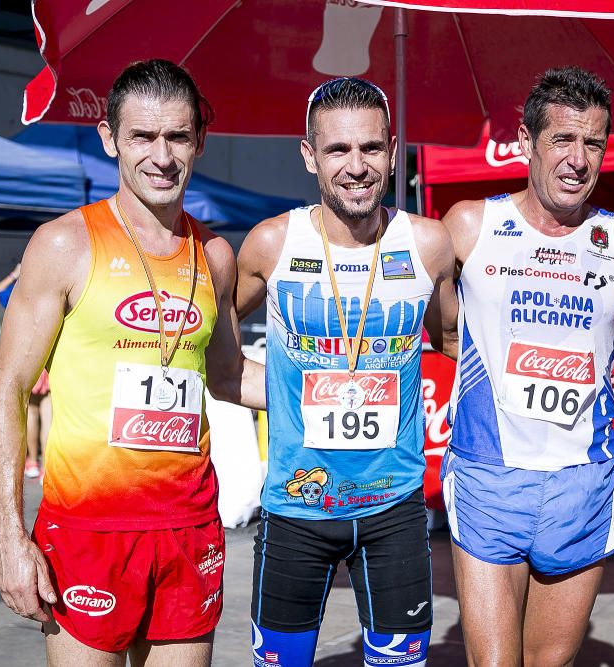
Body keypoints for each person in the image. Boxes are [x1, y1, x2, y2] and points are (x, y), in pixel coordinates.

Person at [0, 59, 262, 667]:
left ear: (199, 140)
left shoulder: (215, 254)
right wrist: (10, 536)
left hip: (189, 528)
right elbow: (7, 389)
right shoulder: (64, 244)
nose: (162, 156)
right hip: (88, 530)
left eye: (177, 137)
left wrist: (332, 383)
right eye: (142, 136)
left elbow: (228, 376)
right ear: (110, 138)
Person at [439, 67, 614, 665]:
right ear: (526, 142)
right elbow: (440, 329)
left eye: (593, 143)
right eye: (562, 140)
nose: (579, 160)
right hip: (488, 478)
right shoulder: (470, 226)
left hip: (582, 488)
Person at [235, 77, 458, 667]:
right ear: (309, 155)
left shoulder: (429, 245)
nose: (356, 167)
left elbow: (458, 340)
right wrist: (263, 391)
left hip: (394, 509)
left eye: (371, 149)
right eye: (337, 150)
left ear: (392, 149)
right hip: (295, 508)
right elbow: (210, 333)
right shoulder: (272, 243)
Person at [0, 263, 50, 479]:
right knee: (49, 413)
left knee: (31, 412)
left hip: (26, 357)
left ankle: (32, 461)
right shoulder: (54, 290)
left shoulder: (20, 294)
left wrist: (15, 273)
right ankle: (47, 466)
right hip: (49, 357)